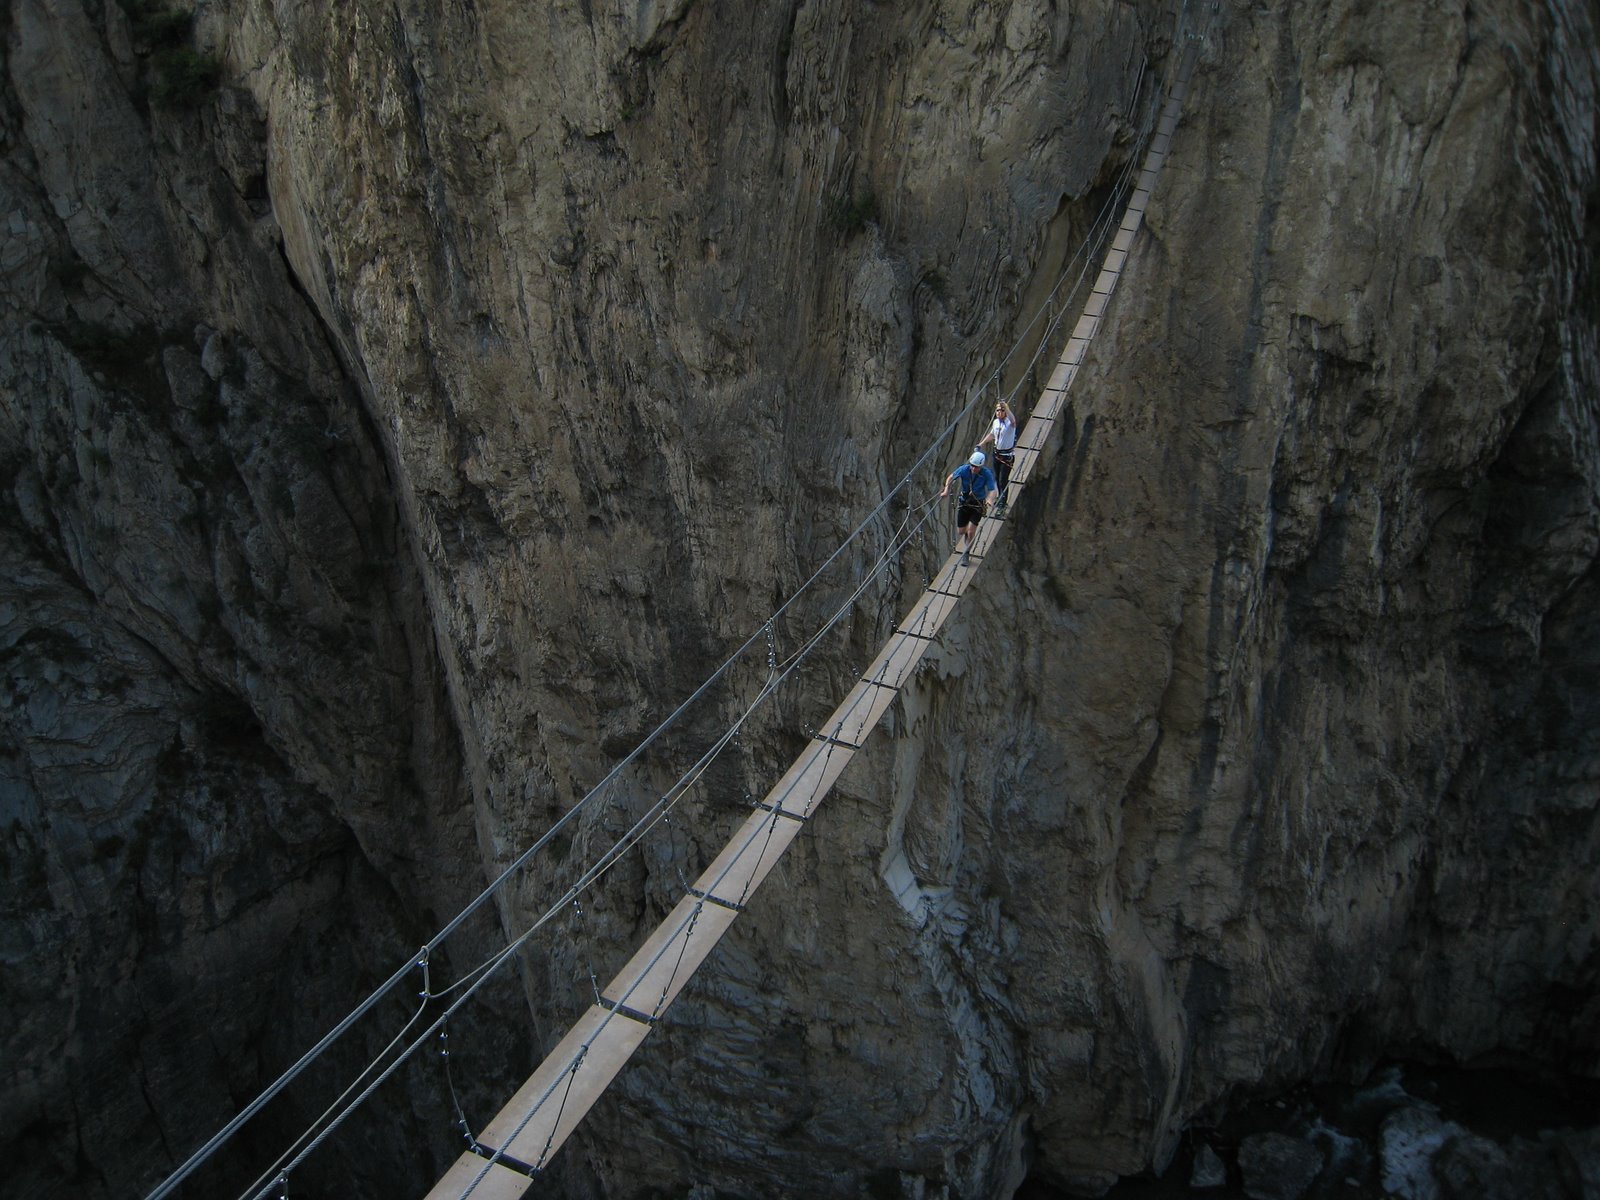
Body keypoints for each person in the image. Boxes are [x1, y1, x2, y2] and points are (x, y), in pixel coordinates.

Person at [940, 450, 998, 565]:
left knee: (971, 531)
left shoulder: (986, 473)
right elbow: (951, 477)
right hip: (964, 503)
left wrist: (990, 499)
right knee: (961, 531)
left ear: (981, 466)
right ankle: (967, 535)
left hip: (977, 505)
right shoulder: (964, 469)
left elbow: (992, 490)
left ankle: (966, 553)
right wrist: (946, 490)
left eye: (976, 467)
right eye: (972, 466)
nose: (973, 469)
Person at [976, 400, 1018, 514]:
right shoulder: (995, 422)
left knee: (1002, 480)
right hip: (997, 455)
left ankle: (1002, 505)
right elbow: (992, 434)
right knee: (997, 479)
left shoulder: (1010, 422)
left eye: (1002, 410)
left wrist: (1006, 408)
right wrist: (981, 444)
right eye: (998, 410)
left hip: (1007, 456)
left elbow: (1014, 421)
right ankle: (1001, 498)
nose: (999, 412)